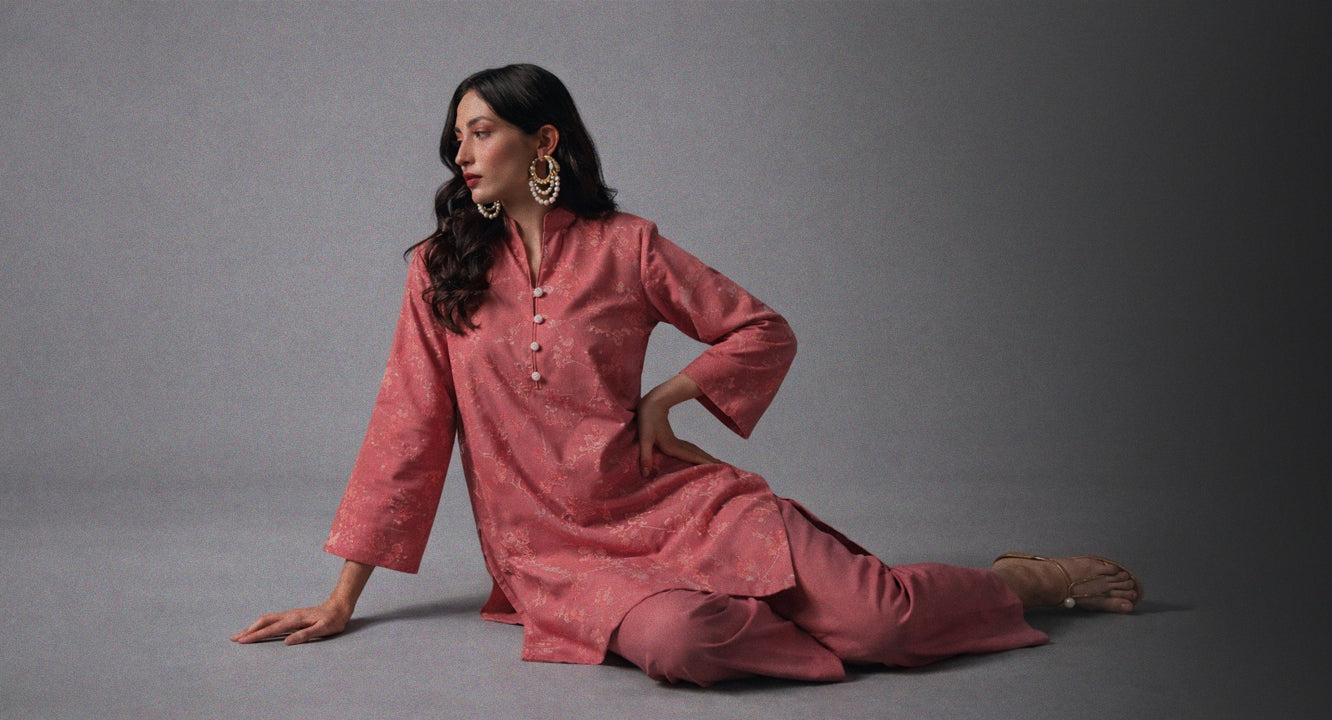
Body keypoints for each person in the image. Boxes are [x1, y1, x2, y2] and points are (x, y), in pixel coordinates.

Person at [231, 63, 1140, 686]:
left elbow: (761, 330)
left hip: (679, 503)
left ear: (541, 141)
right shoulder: (440, 272)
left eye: (480, 131)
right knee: (684, 644)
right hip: (557, 552)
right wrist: (342, 599)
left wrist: (672, 394)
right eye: (455, 137)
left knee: (883, 623)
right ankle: (831, 616)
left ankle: (1020, 583)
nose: (459, 153)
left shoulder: (626, 249)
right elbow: (407, 432)